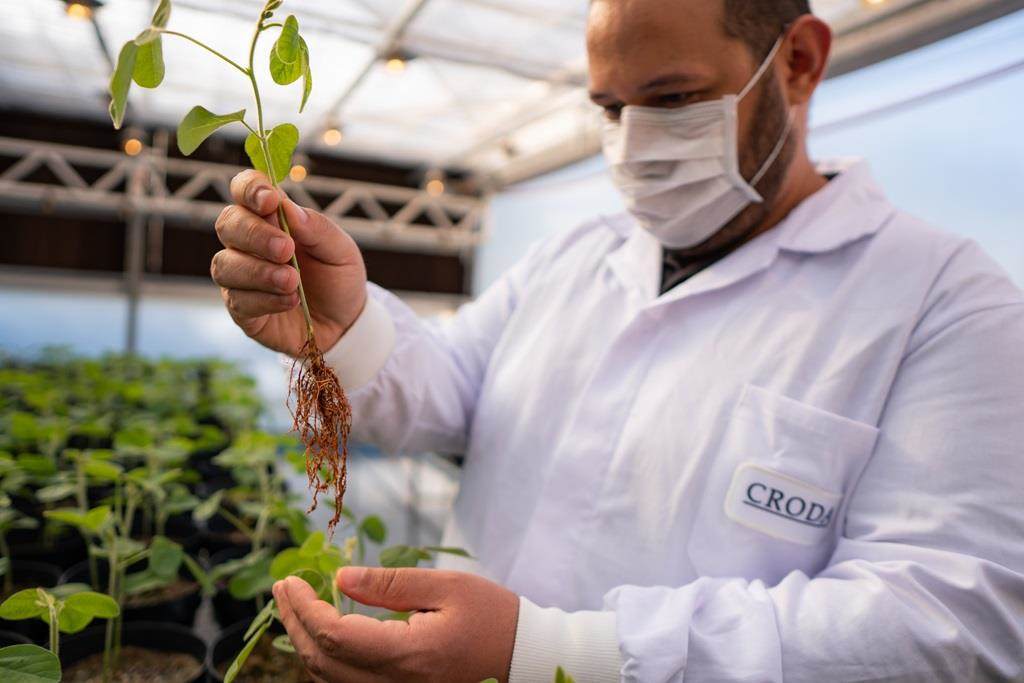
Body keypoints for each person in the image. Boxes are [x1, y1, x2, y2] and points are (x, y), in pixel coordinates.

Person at [210, 0, 1024, 680]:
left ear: (799, 62)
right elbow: (457, 393)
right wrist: (344, 324)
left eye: (672, 100)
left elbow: (949, 616)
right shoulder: (575, 254)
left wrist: (557, 653)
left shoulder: (945, 302)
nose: (632, 143)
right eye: (609, 108)